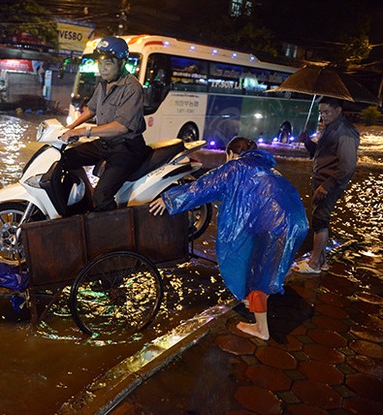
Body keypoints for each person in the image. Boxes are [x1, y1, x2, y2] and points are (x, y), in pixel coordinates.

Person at [150, 137, 308, 340]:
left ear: (231, 154)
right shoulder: (265, 167)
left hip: (275, 226)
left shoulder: (235, 167)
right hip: (297, 222)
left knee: (259, 273)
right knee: (266, 268)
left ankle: (262, 329)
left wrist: (169, 199)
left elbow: (202, 187)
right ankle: (254, 302)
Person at [60, 36, 150, 211]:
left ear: (122, 62)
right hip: (105, 144)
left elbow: (121, 127)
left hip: (127, 149)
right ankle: (84, 197)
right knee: (65, 159)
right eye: (100, 63)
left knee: (101, 197)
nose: (103, 68)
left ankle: (114, 232)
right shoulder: (103, 83)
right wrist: (69, 128)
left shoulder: (132, 88)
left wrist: (82, 132)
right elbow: (91, 109)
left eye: (108, 63)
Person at [292, 97, 359, 274]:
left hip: (328, 183)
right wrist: (307, 142)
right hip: (321, 181)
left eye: (327, 112)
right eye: (321, 112)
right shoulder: (330, 128)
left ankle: (314, 264)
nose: (323, 116)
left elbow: (347, 166)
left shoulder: (346, 132)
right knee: (318, 218)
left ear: (339, 110)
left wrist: (327, 186)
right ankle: (321, 261)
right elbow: (321, 155)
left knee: (320, 221)